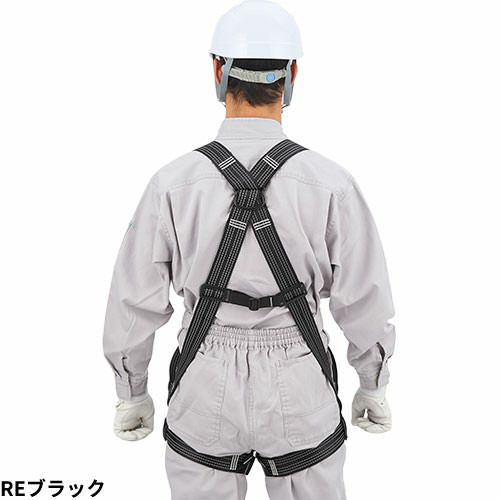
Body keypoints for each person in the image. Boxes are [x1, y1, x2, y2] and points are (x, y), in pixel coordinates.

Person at [103, 1, 395, 498]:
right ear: (292, 75)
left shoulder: (172, 184)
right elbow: (365, 298)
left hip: (203, 378)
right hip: (300, 375)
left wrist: (131, 392)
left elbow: (133, 301)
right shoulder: (331, 184)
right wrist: (373, 382)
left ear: (218, 72)